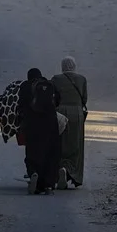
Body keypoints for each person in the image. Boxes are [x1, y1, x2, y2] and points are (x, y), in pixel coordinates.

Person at [18, 68, 61, 195]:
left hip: (32, 124)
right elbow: (58, 101)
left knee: (33, 151)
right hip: (51, 123)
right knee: (51, 153)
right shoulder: (50, 85)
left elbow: (21, 104)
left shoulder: (26, 86)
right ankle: (49, 184)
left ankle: (34, 174)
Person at [51, 56, 87, 189]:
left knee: (59, 143)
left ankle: (60, 168)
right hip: (77, 114)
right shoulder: (82, 79)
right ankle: (71, 172)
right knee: (75, 144)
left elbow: (52, 97)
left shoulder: (55, 79)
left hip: (60, 113)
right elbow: (84, 98)